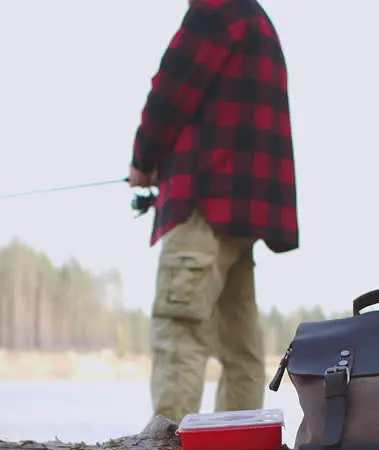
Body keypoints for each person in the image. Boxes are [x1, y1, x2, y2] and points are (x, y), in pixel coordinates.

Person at [129, 0, 299, 426]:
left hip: (203, 202)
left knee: (179, 333)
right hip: (245, 217)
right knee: (241, 350)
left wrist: (142, 160)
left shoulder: (216, 10)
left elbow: (171, 91)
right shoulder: (256, 19)